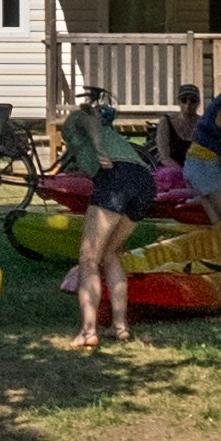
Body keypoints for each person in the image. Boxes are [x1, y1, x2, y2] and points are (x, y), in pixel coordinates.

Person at [58, 91, 147, 350]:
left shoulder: (75, 119)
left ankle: (88, 331)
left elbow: (90, 120)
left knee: (88, 259)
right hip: (143, 180)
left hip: (116, 176)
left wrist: (96, 148)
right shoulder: (114, 135)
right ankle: (120, 327)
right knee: (109, 252)